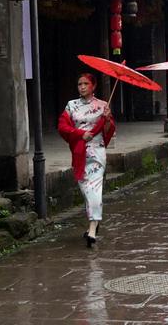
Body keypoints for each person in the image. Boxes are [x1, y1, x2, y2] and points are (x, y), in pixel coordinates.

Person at [58, 73, 115, 247]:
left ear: (93, 86)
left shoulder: (103, 105)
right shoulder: (71, 105)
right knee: (85, 190)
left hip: (97, 152)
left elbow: (109, 130)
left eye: (86, 84)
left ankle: (92, 229)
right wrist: (80, 134)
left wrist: (107, 119)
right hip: (79, 151)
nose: (82, 87)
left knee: (94, 189)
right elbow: (62, 126)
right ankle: (95, 222)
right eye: (79, 84)